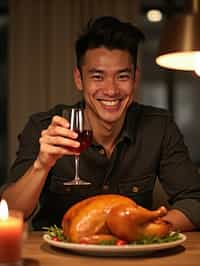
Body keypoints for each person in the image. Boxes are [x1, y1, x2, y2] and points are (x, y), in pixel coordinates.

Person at [1, 16, 200, 231]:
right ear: (79, 79)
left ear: (135, 79)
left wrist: (150, 231)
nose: (111, 90)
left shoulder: (158, 127)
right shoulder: (44, 127)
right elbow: (11, 212)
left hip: (132, 259)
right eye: (97, 77)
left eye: (122, 77)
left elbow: (194, 201)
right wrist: (41, 165)